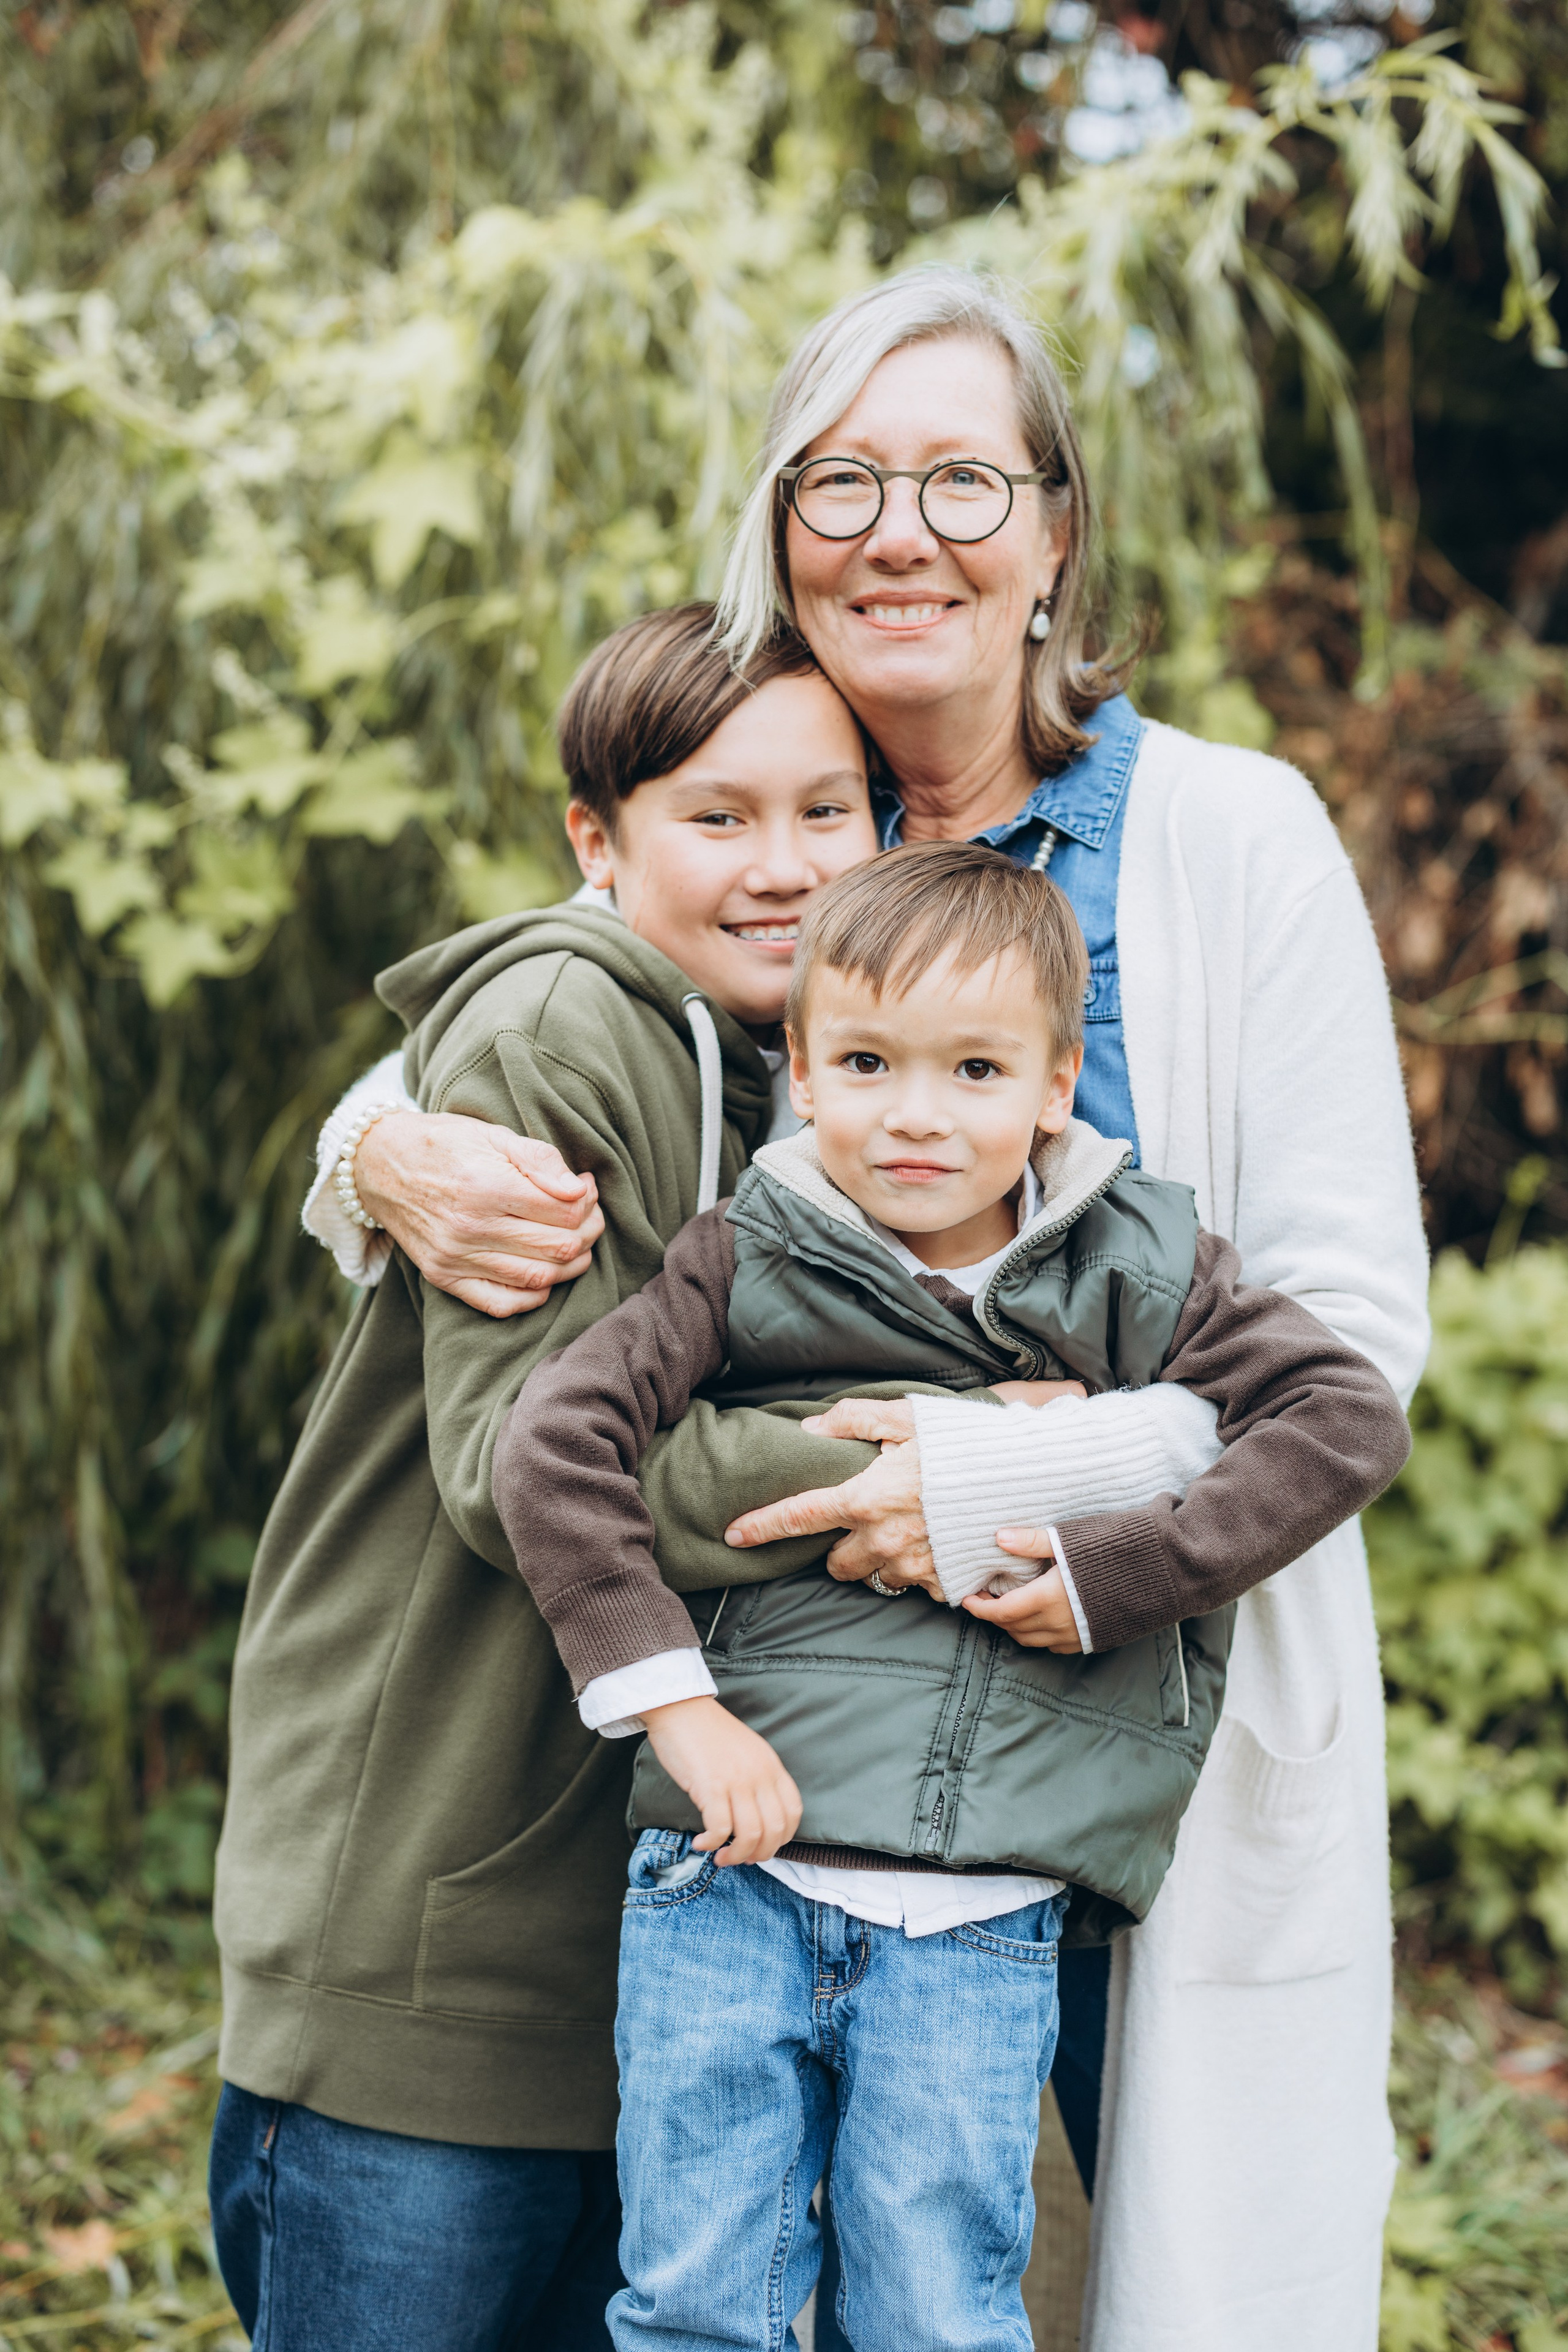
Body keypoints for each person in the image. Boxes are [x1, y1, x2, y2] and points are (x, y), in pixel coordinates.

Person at [320, 266, 1430, 2352]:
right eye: (842, 484)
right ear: (778, 534)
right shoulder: (776, 820)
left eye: (961, 479)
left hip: (1118, 1701)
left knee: (1118, 2285)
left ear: (1056, 536)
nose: (900, 529)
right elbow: (547, 1013)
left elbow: (1351, 1339)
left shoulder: (1225, 841)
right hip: (801, 1771)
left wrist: (1014, 1479)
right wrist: (365, 1142)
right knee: (792, 2286)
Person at [496, 842, 1411, 2352]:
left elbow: (1340, 1419)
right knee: (695, 2303)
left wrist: (1101, 1570)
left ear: (1056, 1086)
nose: (914, 1114)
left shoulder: (1143, 1270)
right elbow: (554, 1441)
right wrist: (674, 1704)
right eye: (863, 1061)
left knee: (934, 2313)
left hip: (982, 1908)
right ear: (799, 1069)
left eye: (974, 1068)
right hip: (733, 1869)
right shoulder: (742, 1255)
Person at [208, 606, 891, 2352]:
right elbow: (519, 1466)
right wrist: (929, 1469)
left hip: (623, 1948)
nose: (788, 865)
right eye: (718, 817)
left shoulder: (785, 1071)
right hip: (428, 1942)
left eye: (831, 811)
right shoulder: (561, 1024)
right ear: (598, 840)